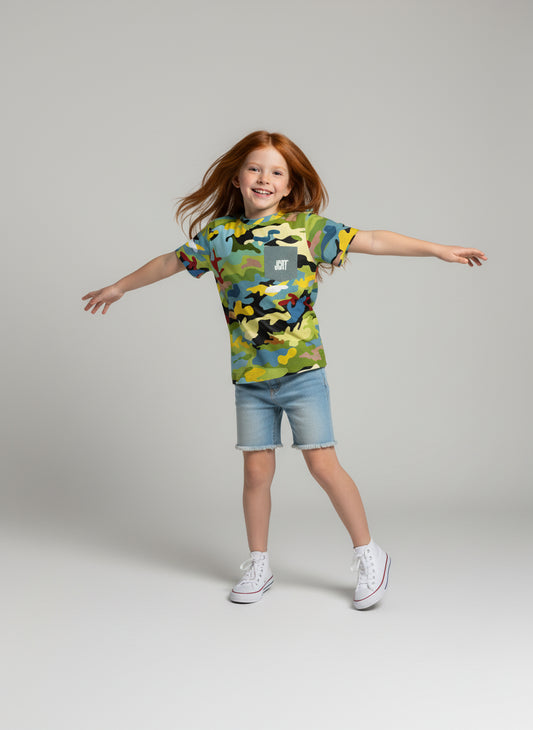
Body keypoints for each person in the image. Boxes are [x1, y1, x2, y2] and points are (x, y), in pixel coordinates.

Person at [82, 130, 487, 610]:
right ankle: (259, 564)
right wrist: (120, 287)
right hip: (250, 381)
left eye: (276, 172)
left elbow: (373, 239)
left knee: (323, 466)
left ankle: (369, 554)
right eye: (255, 168)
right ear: (237, 178)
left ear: (289, 185)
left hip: (302, 374)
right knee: (256, 474)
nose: (264, 178)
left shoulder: (305, 229)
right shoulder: (218, 237)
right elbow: (170, 262)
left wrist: (438, 249)